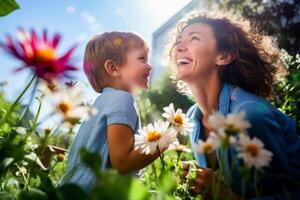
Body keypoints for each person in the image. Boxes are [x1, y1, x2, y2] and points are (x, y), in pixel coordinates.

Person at [169, 12, 300, 199]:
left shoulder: (249, 115)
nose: (179, 47)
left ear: (223, 56)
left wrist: (223, 195)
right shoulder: (192, 117)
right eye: (178, 41)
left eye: (194, 38)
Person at [58, 32, 163, 191]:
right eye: (142, 59)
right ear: (113, 68)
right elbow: (122, 163)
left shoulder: (99, 103)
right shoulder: (123, 99)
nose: (149, 66)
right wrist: (163, 143)